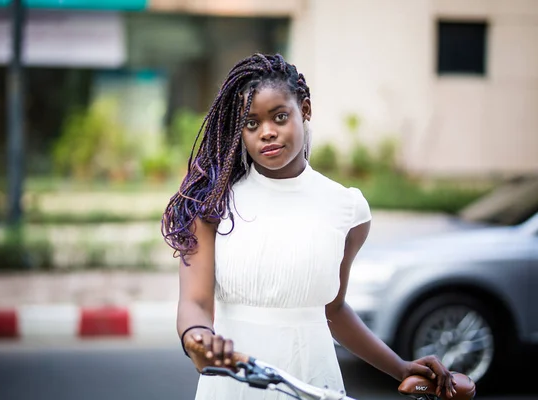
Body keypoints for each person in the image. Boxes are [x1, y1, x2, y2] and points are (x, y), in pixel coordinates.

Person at [162, 53, 456, 400]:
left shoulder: (347, 208)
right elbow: (194, 302)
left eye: (280, 117)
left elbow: (333, 309)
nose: (267, 132)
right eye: (251, 123)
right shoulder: (212, 204)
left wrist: (400, 367)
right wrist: (198, 338)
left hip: (314, 382)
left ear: (305, 110)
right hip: (232, 384)